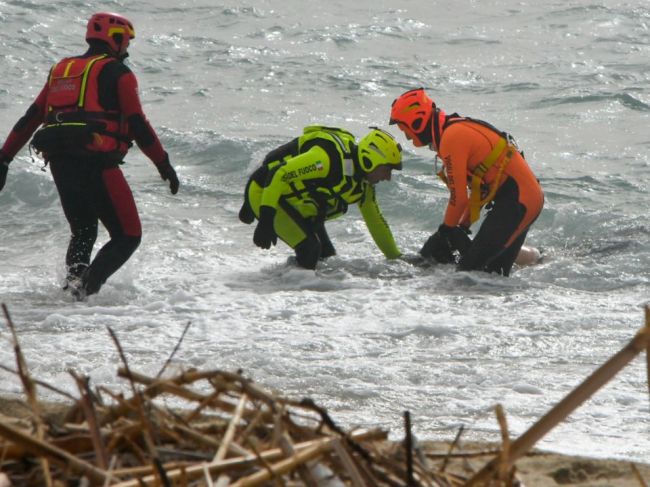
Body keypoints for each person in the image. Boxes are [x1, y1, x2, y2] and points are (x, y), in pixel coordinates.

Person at [0, 12, 179, 299]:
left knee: (83, 231)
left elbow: (30, 117)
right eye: (126, 41)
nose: (127, 49)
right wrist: (163, 163)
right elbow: (137, 123)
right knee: (128, 236)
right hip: (96, 163)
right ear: (115, 38)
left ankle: (71, 291)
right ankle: (82, 293)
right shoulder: (118, 73)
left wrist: (5, 158)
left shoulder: (62, 69)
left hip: (59, 162)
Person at [389, 88, 544, 276]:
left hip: (518, 200)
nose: (408, 138)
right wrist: (462, 226)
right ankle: (542, 259)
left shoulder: (451, 138)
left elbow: (459, 197)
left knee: (470, 275)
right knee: (493, 273)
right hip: (521, 198)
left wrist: (445, 231)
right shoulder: (452, 130)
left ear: (417, 123)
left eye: (406, 131)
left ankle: (540, 260)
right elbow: (478, 192)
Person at [239, 126, 403, 269]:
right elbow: (278, 174)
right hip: (264, 193)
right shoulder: (325, 160)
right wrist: (266, 221)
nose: (388, 177)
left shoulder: (364, 186)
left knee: (327, 259)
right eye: (387, 169)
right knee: (310, 250)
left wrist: (398, 260)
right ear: (370, 160)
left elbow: (376, 223)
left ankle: (301, 290)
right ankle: (280, 293)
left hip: (295, 205)